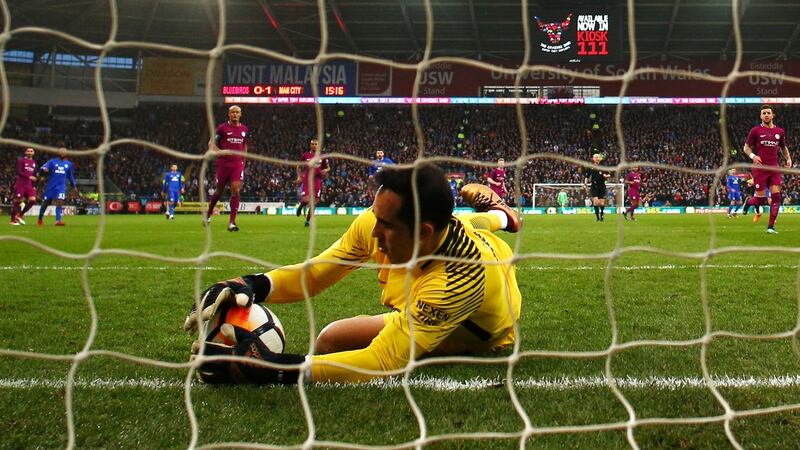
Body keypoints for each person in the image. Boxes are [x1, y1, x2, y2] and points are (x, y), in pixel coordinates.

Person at [185, 164, 522, 385]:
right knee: (329, 342)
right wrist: (253, 284)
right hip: (470, 236)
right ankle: (504, 213)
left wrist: (276, 368)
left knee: (333, 343)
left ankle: (502, 213)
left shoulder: (457, 283)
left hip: (474, 330)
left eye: (386, 225)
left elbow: (381, 360)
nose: (373, 232)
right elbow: (317, 273)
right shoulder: (383, 224)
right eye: (375, 215)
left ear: (422, 232)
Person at [742, 104, 792, 234]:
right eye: (763, 113)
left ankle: (770, 227)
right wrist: (753, 156)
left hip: (774, 168)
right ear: (760, 116)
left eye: (768, 113)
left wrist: (788, 158)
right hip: (760, 169)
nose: (766, 115)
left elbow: (783, 147)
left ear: (772, 115)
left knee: (776, 197)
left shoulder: (779, 132)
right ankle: (749, 201)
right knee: (761, 200)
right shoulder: (756, 130)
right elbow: (746, 148)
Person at [206, 105, 249, 232]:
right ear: (228, 114)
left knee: (235, 190)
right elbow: (211, 144)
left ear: (240, 114)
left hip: (237, 164)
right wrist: (220, 152)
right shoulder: (222, 128)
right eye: (232, 112)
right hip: (223, 164)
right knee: (219, 191)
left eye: (237, 112)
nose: (235, 114)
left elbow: (245, 146)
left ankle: (232, 223)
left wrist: (243, 162)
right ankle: (208, 213)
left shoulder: (245, 129)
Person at [37, 147, 76, 227]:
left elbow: (70, 175)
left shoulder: (69, 164)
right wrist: (44, 169)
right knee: (46, 203)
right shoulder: (52, 162)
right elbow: (42, 167)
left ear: (66, 154)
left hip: (61, 186)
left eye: (64, 152)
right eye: (61, 152)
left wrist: (73, 185)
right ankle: (40, 219)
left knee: (60, 202)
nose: (62, 153)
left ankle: (58, 220)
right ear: (58, 153)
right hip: (51, 186)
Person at [296, 138, 330, 227]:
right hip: (307, 180)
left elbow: (328, 167)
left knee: (314, 203)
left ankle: (307, 221)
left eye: (316, 144)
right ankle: (301, 205)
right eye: (312, 144)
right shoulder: (306, 155)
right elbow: (298, 166)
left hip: (317, 180)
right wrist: (299, 176)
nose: (314, 146)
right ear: (310, 145)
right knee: (306, 200)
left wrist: (325, 170)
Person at [10, 147, 37, 226]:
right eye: (28, 151)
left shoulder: (34, 162)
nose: (29, 152)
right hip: (21, 184)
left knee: (32, 200)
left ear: (33, 153)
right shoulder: (21, 160)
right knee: (17, 201)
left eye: (31, 151)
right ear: (25, 152)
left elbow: (33, 175)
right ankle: (12, 220)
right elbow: (19, 171)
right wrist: (29, 177)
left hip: (29, 185)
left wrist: (33, 185)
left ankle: (20, 215)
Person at [583, 153, 610, 222]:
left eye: (598, 157)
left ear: (599, 158)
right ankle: (597, 218)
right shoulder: (590, 167)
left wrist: (606, 176)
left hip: (602, 186)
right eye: (595, 157)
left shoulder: (603, 166)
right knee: (596, 202)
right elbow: (587, 176)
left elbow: (609, 174)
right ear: (593, 158)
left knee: (601, 203)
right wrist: (585, 184)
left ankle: (602, 215)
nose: (596, 158)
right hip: (594, 186)